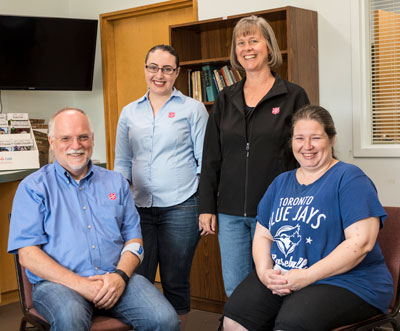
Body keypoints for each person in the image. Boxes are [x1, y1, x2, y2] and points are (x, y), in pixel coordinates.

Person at [222, 104, 393, 331]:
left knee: (292, 324)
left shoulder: (349, 178)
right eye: (299, 138)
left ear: (331, 139)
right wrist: (264, 272)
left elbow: (361, 243)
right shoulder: (281, 182)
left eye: (316, 138)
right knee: (235, 318)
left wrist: (307, 276)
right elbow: (263, 236)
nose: (307, 146)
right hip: (285, 275)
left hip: (348, 282)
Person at [8, 108, 180, 331]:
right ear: (51, 142)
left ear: (92, 139)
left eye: (83, 137)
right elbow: (28, 256)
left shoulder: (116, 183)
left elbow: (135, 242)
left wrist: (119, 277)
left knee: (165, 320)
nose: (76, 145)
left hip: (115, 278)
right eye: (66, 139)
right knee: (71, 320)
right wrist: (81, 285)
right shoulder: (33, 188)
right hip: (59, 285)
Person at [198, 15, 310, 297]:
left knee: (276, 288)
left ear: (269, 47)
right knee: (236, 290)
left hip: (277, 211)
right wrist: (206, 206)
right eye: (240, 42)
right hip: (231, 213)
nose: (247, 48)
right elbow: (211, 156)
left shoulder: (293, 96)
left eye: (253, 40)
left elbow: (306, 155)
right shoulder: (225, 98)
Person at [114, 45, 208, 325]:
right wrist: (119, 207)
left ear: (177, 72)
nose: (159, 75)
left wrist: (205, 207)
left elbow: (205, 161)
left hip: (181, 205)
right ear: (145, 70)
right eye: (153, 67)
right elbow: (122, 162)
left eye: (167, 69)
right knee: (138, 278)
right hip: (138, 208)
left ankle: (173, 326)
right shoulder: (129, 112)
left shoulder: (193, 109)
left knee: (175, 279)